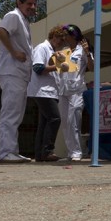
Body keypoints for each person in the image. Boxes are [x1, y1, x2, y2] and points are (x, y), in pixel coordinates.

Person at [0, 0, 37, 164]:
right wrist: (14, 52)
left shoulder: (23, 20)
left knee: (16, 113)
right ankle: (6, 152)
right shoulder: (13, 16)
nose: (32, 7)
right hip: (12, 71)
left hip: (19, 72)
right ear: (18, 2)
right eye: (29, 4)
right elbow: (1, 30)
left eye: (34, 4)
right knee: (11, 112)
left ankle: (12, 150)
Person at [28, 25, 70, 162]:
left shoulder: (52, 51)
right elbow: (38, 68)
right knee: (54, 118)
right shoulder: (42, 48)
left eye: (63, 41)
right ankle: (47, 151)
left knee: (45, 122)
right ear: (54, 37)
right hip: (42, 91)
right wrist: (58, 66)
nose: (61, 43)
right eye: (60, 39)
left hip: (48, 91)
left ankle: (40, 154)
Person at [58, 24, 94, 161]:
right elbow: (61, 69)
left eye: (66, 35)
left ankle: (77, 152)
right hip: (63, 89)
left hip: (77, 90)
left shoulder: (82, 50)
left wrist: (87, 53)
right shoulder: (64, 50)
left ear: (73, 35)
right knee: (65, 122)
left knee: (73, 120)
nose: (64, 37)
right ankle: (70, 152)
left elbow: (91, 67)